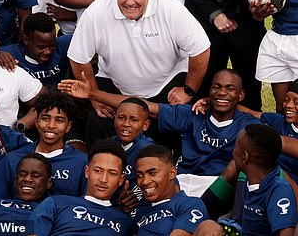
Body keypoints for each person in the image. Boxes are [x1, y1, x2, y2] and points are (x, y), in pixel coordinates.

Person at [66, 0, 210, 133]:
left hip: (167, 84)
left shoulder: (171, 9)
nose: (130, 1)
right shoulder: (96, 12)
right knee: (100, 129)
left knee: (175, 134)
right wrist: (94, 97)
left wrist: (188, 90)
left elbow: (201, 49)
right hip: (115, 86)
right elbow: (78, 58)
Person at [60, 69, 259, 189]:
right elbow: (142, 105)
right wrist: (93, 93)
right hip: (182, 182)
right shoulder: (192, 114)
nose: (222, 92)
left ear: (240, 95)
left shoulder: (248, 125)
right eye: (216, 87)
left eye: (230, 89)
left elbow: (280, 123)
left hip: (219, 186)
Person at [0, 90, 87, 200]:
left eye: (59, 120)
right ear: (36, 122)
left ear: (68, 126)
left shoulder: (80, 162)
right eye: (45, 118)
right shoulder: (13, 159)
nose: (51, 125)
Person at [26, 139, 133, 236]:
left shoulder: (126, 222)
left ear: (121, 179)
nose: (103, 179)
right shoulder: (54, 203)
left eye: (112, 173)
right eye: (98, 171)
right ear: (87, 171)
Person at [233, 124, 298, 236]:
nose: (233, 151)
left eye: (235, 147)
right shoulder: (249, 181)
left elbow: (287, 233)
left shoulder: (279, 191)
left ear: (245, 157)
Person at [0, 153, 52, 234]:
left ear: (48, 183)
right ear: (15, 179)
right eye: (22, 174)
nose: (27, 179)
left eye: (35, 176)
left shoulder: (49, 212)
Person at [133, 144, 208, 235]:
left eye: (152, 173)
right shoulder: (141, 209)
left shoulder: (189, 204)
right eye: (139, 175)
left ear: (172, 173)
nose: (144, 182)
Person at [1, 13, 72, 86]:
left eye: (52, 45)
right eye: (41, 47)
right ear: (26, 40)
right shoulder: (9, 55)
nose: (48, 51)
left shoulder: (63, 45)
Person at [111, 98, 154, 191]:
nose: (126, 124)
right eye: (121, 118)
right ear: (114, 119)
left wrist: (136, 196)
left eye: (134, 120)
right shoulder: (109, 144)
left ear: (145, 125)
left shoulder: (148, 150)